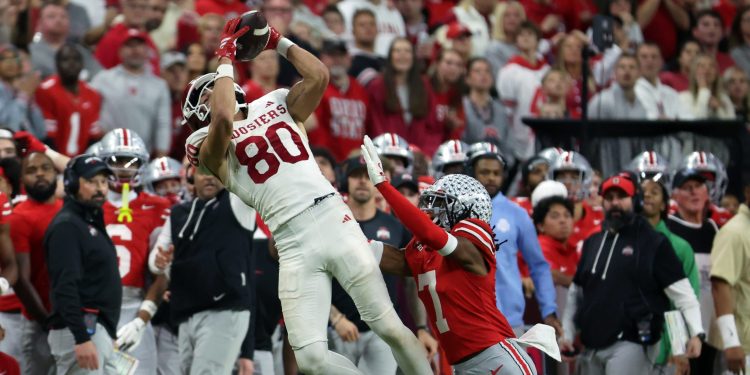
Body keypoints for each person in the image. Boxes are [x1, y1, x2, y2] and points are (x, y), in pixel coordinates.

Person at [182, 15, 430, 374]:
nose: (213, 92)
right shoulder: (207, 150)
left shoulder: (275, 101)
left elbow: (319, 77)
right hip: (291, 240)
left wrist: (278, 41)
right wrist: (224, 58)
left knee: (389, 326)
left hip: (332, 216)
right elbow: (222, 119)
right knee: (311, 360)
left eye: (211, 88)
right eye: (205, 93)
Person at [360, 137, 559, 373]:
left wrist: (384, 187)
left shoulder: (474, 234)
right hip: (462, 366)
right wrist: (346, 234)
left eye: (439, 203)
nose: (430, 210)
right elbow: (396, 259)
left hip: (497, 358)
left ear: (463, 207)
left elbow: (430, 233)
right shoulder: (427, 249)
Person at [560, 173, 705, 375]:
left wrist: (696, 334)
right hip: (591, 346)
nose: (615, 203)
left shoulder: (655, 243)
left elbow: (683, 295)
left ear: (636, 200)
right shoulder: (592, 242)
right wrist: (567, 332)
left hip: (633, 342)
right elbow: (576, 293)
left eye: (622, 197)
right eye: (609, 198)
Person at [149, 165, 256, 374]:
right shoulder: (179, 213)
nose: (209, 177)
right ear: (191, 177)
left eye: (215, 171)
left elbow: (245, 170)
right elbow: (156, 258)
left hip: (224, 309)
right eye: (203, 171)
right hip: (187, 311)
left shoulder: (238, 204)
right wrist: (160, 262)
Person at [466, 142, 561, 337]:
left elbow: (538, 265)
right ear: (471, 172)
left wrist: (549, 310)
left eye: (497, 173)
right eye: (485, 172)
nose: (491, 178)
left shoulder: (517, 214)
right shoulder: (455, 212)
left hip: (509, 321)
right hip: (468, 319)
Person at [329, 156, 413, 374]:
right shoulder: (330, 222)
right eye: (356, 175)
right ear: (345, 181)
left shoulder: (395, 226)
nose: (363, 181)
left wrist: (422, 327)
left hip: (382, 332)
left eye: (368, 176)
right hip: (338, 327)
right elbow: (312, 275)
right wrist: (335, 318)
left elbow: (413, 279)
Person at [45, 154, 121, 374]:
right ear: (71, 183)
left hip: (95, 331)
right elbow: (65, 285)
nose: (100, 188)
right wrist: (81, 337)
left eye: (103, 182)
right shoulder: (67, 226)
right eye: (91, 181)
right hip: (80, 332)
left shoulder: (88, 222)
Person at [638, 175, 700, 374]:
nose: (647, 196)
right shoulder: (623, 243)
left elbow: (684, 301)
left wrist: (679, 346)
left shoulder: (680, 248)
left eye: (654, 192)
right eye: (642, 192)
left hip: (666, 348)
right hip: (627, 344)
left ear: (664, 204)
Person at [11, 151, 64, 375]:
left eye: (45, 168)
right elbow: (21, 280)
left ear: (55, 173)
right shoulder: (19, 218)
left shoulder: (69, 209)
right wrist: (46, 321)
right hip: (41, 323)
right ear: (22, 180)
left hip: (73, 319)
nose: (40, 174)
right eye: (31, 171)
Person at [367, 37, 442, 156]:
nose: (402, 56)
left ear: (413, 56)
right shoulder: (377, 86)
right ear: (390, 56)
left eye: (407, 51)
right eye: (397, 51)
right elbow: (375, 125)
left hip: (420, 155)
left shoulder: (424, 86)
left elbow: (432, 126)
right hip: (388, 154)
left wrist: (426, 154)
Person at [307, 39, 370, 162]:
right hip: (325, 162)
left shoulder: (360, 90)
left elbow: (366, 129)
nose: (337, 60)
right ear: (322, 58)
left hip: (355, 163)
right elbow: (310, 125)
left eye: (340, 56)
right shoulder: (315, 87)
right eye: (331, 56)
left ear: (348, 58)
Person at [34, 44, 103, 157]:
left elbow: (93, 136)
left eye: (76, 59)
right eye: (65, 59)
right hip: (54, 157)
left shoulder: (93, 93)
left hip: (81, 158)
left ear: (82, 64)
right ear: (57, 64)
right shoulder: (45, 90)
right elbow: (46, 136)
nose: (71, 64)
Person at [497, 21, 549, 161]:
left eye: (530, 34)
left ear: (538, 40)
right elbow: (506, 111)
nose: (525, 38)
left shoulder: (547, 70)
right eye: (521, 35)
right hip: (518, 135)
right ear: (516, 40)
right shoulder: (509, 71)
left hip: (544, 132)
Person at [710, 193, 750, 375]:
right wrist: (731, 341)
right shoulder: (734, 233)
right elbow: (720, 285)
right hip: (742, 349)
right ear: (748, 192)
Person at [28, 3, 101, 80]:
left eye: (63, 17)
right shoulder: (30, 52)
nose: (58, 20)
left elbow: (99, 74)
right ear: (39, 24)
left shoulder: (80, 51)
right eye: (51, 16)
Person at [94, 0, 161, 73]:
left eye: (143, 7)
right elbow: (100, 73)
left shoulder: (148, 39)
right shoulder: (112, 38)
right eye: (132, 6)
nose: (138, 11)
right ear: (123, 7)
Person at [461, 57, 511, 150]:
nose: (483, 74)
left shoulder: (501, 109)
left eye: (487, 71)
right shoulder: (461, 106)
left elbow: (508, 143)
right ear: (467, 78)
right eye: (477, 71)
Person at [635, 43, 693, 120]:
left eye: (654, 57)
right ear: (635, 62)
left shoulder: (671, 93)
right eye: (644, 57)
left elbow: (688, 118)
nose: (650, 61)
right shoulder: (632, 92)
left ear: (661, 62)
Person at [589, 54, 648, 119]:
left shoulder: (642, 104)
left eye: (632, 67)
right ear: (615, 72)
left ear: (639, 73)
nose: (627, 71)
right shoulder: (602, 101)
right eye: (622, 67)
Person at [678, 54, 736, 119]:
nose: (707, 69)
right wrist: (703, 91)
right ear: (694, 72)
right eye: (702, 66)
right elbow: (696, 121)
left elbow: (731, 124)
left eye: (711, 66)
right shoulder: (683, 97)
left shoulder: (724, 98)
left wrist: (718, 109)